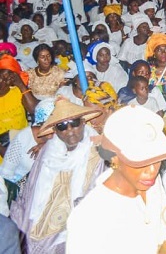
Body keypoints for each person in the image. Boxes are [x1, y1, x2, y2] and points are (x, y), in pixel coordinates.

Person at [66, 106, 166, 254]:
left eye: (157, 159)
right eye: (141, 161)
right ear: (114, 158)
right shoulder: (89, 218)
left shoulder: (151, 184)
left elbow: (160, 236)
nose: (152, 171)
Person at [10, 97, 104, 253]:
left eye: (74, 123)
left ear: (82, 122)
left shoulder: (97, 152)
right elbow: (31, 194)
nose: (69, 131)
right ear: (55, 130)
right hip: (38, 223)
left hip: (73, 228)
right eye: (62, 126)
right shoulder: (47, 152)